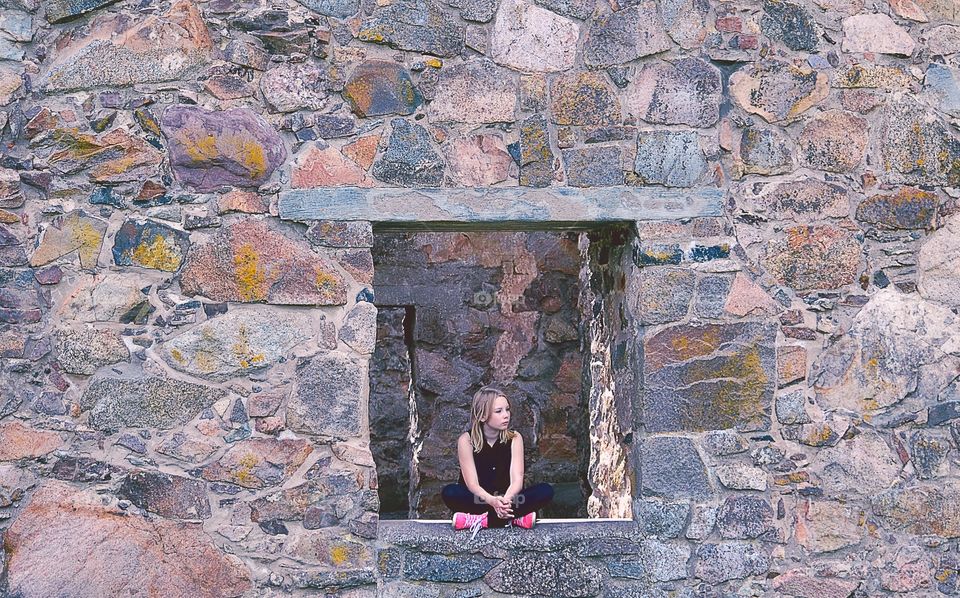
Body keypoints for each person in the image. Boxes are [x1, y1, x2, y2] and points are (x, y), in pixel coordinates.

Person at [441, 386, 554, 537]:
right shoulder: (466, 440)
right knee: (450, 492)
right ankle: (514, 519)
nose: (506, 415)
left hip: (510, 500)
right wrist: (492, 501)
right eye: (499, 411)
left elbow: (517, 480)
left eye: (507, 409)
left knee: (545, 491)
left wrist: (504, 502)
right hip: (479, 500)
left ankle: (482, 520)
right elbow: (472, 484)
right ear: (482, 416)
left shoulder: (515, 438)